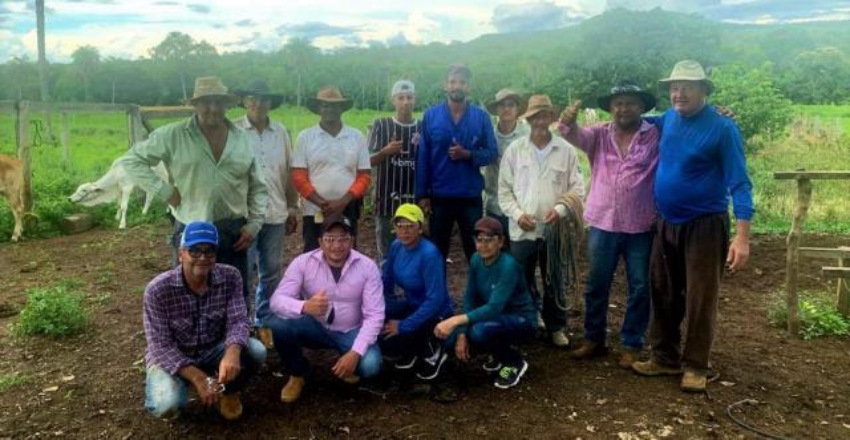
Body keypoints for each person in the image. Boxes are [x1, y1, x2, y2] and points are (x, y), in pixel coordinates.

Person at [632, 60, 754, 393]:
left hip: (704, 225)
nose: (678, 92)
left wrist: (742, 239)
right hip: (666, 221)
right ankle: (664, 358)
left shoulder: (722, 128)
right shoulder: (668, 119)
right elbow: (640, 122)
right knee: (663, 290)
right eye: (674, 86)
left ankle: (697, 365)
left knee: (701, 297)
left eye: (687, 86)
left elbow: (740, 184)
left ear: (704, 90)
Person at [120, 77, 267, 310]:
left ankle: (235, 343)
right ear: (195, 104)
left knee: (234, 293)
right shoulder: (173, 135)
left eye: (219, 102)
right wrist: (164, 190)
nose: (213, 108)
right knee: (186, 293)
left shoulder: (242, 139)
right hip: (190, 227)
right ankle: (189, 342)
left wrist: (254, 225)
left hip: (233, 231)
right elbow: (132, 160)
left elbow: (258, 186)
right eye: (206, 102)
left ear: (226, 105)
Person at [557, 80, 659, 368]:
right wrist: (568, 121)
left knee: (640, 286)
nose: (623, 108)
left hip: (641, 224)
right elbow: (572, 134)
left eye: (630, 103)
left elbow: (682, 121)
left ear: (641, 107)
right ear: (611, 109)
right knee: (596, 284)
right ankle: (593, 338)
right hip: (603, 222)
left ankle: (632, 343)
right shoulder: (599, 134)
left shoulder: (655, 135)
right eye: (618, 104)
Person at [142, 221, 267, 421]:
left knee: (256, 351)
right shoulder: (157, 290)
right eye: (195, 251)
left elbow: (238, 320)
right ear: (181, 253)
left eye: (209, 251)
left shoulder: (231, 276)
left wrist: (232, 352)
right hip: (173, 356)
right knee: (167, 406)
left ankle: (228, 390)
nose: (202, 257)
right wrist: (199, 378)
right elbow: (160, 346)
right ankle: (184, 383)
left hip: (213, 348)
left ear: (216, 255)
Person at [266, 213, 384, 403]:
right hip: (315, 327)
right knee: (277, 324)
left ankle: (346, 357)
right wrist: (304, 306)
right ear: (320, 242)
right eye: (330, 239)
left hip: (351, 330)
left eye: (343, 239)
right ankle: (298, 373)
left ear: (351, 240)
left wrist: (355, 353)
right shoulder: (303, 263)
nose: (336, 246)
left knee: (370, 366)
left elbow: (375, 315)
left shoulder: (367, 267)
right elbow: (277, 300)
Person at [498, 95, 585, 347]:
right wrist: (516, 214)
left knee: (555, 278)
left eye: (545, 115)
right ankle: (528, 320)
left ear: (551, 118)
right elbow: (504, 190)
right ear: (528, 118)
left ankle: (556, 326)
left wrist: (560, 210)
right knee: (522, 278)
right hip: (521, 229)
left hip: (554, 228)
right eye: (535, 116)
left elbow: (578, 188)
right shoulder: (515, 150)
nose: (540, 121)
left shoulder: (566, 150)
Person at [434, 217, 537, 389]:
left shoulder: (508, 265)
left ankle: (513, 361)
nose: (483, 245)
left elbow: (494, 307)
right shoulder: (476, 259)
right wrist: (461, 333)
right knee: (451, 337)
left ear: (501, 241)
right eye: (479, 240)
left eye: (490, 240)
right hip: (495, 317)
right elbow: (470, 298)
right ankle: (497, 354)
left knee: (479, 332)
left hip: (521, 320)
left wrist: (456, 320)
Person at [233, 79, 299, 346]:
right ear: (245, 101)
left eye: (263, 98)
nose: (257, 103)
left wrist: (293, 206)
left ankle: (264, 321)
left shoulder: (281, 132)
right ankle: (241, 325)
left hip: (275, 213)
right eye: (252, 97)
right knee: (243, 272)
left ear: (270, 102)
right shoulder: (234, 130)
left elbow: (288, 173)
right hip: (244, 216)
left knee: (271, 270)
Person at [416, 64, 498, 262]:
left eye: (462, 82)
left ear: (468, 87)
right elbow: (423, 156)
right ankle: (437, 293)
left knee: (477, 251)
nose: (457, 86)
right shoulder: (431, 116)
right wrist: (422, 194)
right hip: (440, 196)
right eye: (453, 81)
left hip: (469, 196)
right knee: (437, 251)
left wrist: (468, 154)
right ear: (446, 85)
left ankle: (478, 293)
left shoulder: (481, 117)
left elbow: (492, 153)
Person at [292, 86, 371, 252]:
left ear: (342, 108)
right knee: (314, 255)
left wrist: (343, 202)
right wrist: (322, 203)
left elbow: (364, 176)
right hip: (315, 210)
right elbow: (299, 176)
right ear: (318, 108)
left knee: (346, 254)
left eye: (334, 105)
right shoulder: (305, 137)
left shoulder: (356, 137)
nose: (329, 109)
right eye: (325, 105)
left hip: (348, 208)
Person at [379, 203, 453, 381]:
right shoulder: (396, 246)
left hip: (435, 313)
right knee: (382, 334)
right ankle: (413, 348)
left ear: (420, 228)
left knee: (397, 333)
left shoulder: (430, 254)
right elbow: (387, 279)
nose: (405, 231)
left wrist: (404, 325)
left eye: (410, 226)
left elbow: (435, 300)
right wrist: (378, 307)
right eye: (400, 226)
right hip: (411, 304)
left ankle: (434, 351)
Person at [368, 80, 423, 262]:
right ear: (393, 100)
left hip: (414, 200)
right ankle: (386, 288)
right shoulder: (381, 125)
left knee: (413, 251)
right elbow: (366, 161)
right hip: (386, 200)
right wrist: (386, 151)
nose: (406, 102)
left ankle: (411, 288)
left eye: (409, 97)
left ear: (415, 100)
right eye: (401, 98)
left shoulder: (422, 127)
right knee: (386, 252)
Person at [484, 88, 529, 237]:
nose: (507, 108)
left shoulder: (528, 136)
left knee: (518, 253)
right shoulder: (488, 135)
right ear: (497, 109)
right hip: (494, 204)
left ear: (517, 109)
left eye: (511, 105)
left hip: (521, 206)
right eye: (502, 105)